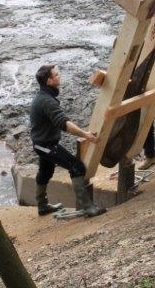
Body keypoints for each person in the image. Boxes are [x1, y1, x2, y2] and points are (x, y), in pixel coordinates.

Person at [30, 64, 106, 217]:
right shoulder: (47, 101)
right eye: (56, 75)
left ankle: (42, 206)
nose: (59, 76)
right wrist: (85, 135)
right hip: (45, 145)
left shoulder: (44, 97)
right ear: (49, 81)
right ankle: (87, 208)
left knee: (46, 171)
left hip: (43, 143)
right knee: (77, 166)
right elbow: (64, 123)